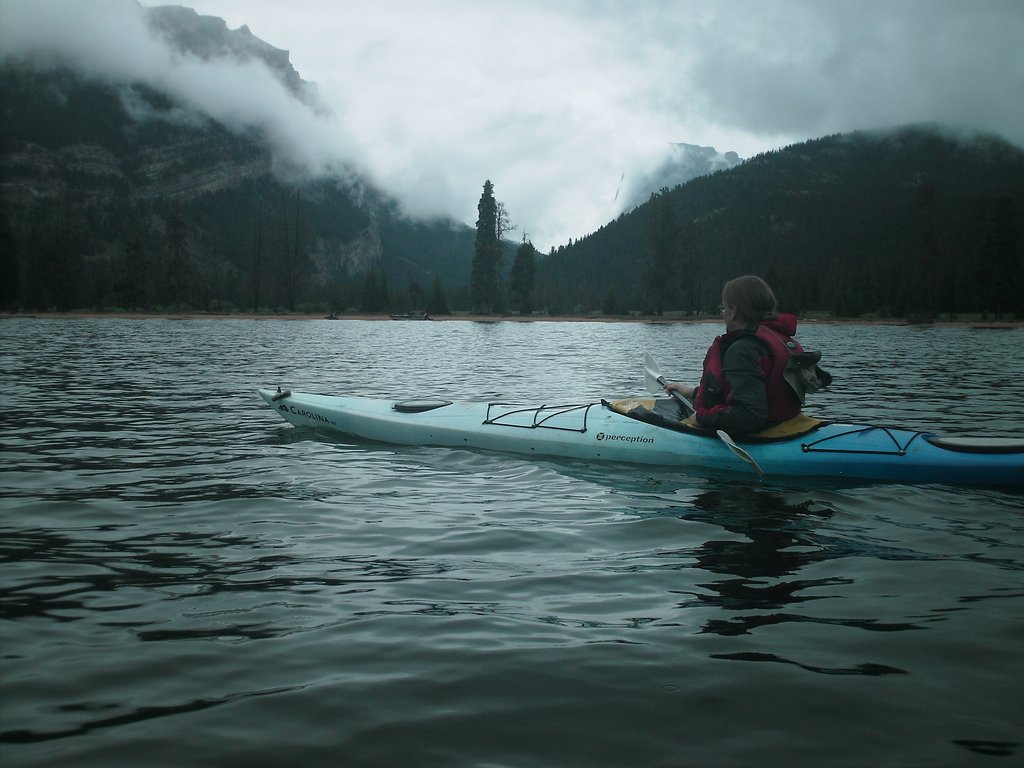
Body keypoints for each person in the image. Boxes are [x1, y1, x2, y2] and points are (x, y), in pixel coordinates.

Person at [664, 275, 830, 435]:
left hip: (762, 434)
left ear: (734, 311)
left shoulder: (743, 349)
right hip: (784, 423)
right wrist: (692, 392)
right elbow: (758, 391)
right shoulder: (782, 340)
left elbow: (749, 415)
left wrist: (700, 418)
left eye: (724, 308)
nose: (723, 313)